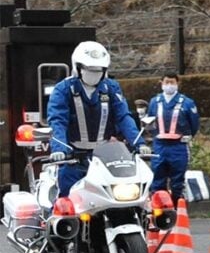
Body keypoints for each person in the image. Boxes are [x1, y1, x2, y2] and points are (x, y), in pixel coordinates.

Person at [47, 41, 148, 196]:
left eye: (98, 70)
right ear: (78, 68)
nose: (94, 73)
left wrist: (139, 144)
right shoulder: (63, 89)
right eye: (89, 69)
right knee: (68, 200)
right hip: (74, 156)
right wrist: (59, 149)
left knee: (124, 192)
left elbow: (123, 117)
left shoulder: (111, 87)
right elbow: (57, 121)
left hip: (106, 156)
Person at [145, 72, 199, 204]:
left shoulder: (187, 103)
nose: (169, 85)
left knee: (177, 179)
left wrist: (187, 136)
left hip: (178, 145)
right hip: (159, 145)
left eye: (172, 82)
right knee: (157, 177)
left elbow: (194, 124)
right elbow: (150, 121)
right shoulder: (155, 102)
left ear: (177, 84)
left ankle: (177, 207)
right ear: (161, 83)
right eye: (166, 82)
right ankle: (159, 207)